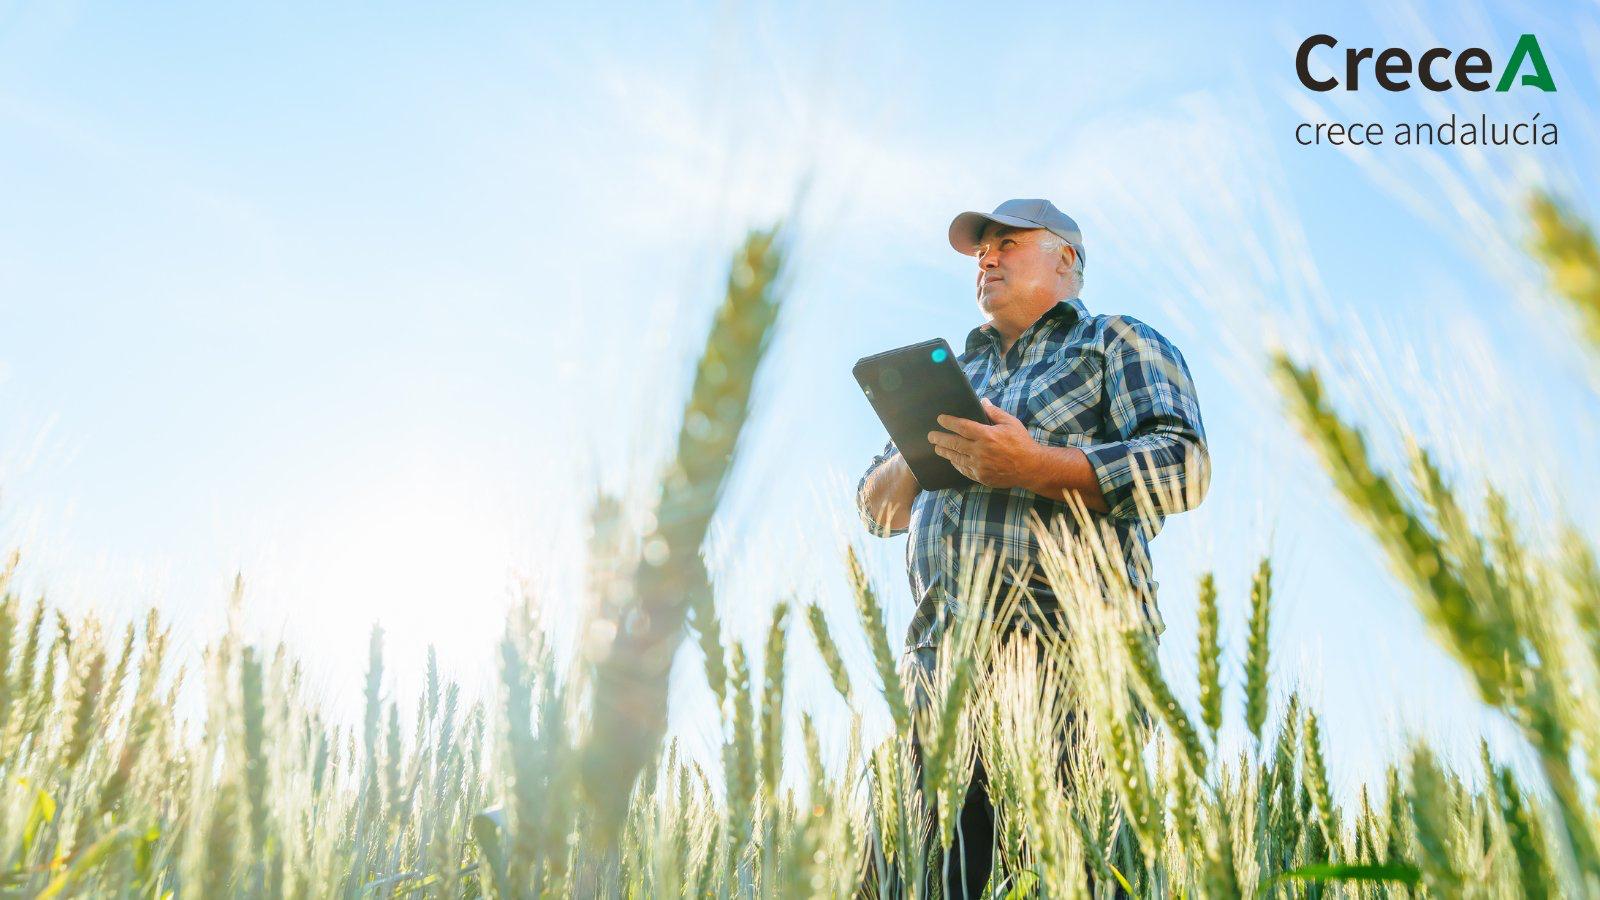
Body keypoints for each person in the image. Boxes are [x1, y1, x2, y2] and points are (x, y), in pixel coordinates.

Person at [855, 198, 1210, 897]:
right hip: (938, 691)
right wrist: (917, 447)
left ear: (1066, 260)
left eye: (1007, 243)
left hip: (1077, 686)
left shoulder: (1115, 341)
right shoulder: (953, 372)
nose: (986, 258)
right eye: (981, 250)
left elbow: (1183, 466)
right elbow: (875, 511)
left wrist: (1034, 466)